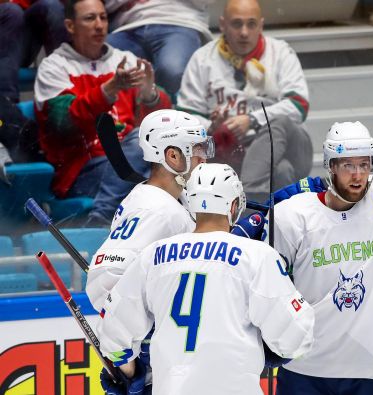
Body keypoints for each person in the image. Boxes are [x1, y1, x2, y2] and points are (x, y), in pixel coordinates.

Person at [96, 162, 315, 395]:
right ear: (234, 205)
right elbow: (297, 337)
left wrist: (130, 377)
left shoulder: (153, 256)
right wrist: (276, 350)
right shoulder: (257, 256)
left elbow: (113, 333)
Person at [273, 122, 373, 395]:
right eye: (348, 165)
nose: (358, 175)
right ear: (331, 166)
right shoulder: (294, 215)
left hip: (366, 372)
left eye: (364, 164)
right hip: (303, 369)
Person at [34, 0, 172, 225]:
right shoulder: (54, 67)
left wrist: (150, 96)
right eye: (90, 18)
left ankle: (102, 217)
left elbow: (162, 124)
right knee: (150, 159)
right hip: (83, 171)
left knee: (169, 149)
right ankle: (102, 216)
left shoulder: (125, 59)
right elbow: (62, 123)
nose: (99, 25)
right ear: (70, 26)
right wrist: (109, 89)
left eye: (103, 17)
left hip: (132, 161)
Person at [177, 0, 312, 203]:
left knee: (279, 123)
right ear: (222, 25)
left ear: (261, 25)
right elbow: (186, 114)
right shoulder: (202, 59)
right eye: (237, 24)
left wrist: (252, 119)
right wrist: (212, 127)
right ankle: (272, 222)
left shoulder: (281, 53)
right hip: (230, 151)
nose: (244, 32)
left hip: (287, 145)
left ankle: (250, 202)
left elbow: (298, 106)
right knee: (283, 172)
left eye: (251, 24)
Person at [86, 109, 213, 312]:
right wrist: (153, 325)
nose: (204, 159)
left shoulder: (174, 197)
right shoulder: (156, 211)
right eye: (197, 150)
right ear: (172, 156)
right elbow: (104, 282)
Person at [105, 0, 214, 97]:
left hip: (178, 22)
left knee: (172, 72)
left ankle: (168, 115)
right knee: (97, 62)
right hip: (125, 27)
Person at [0, 0, 69, 103]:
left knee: (52, 6)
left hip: (22, 39)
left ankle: (68, 91)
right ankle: (7, 105)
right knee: (12, 12)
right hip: (6, 24)